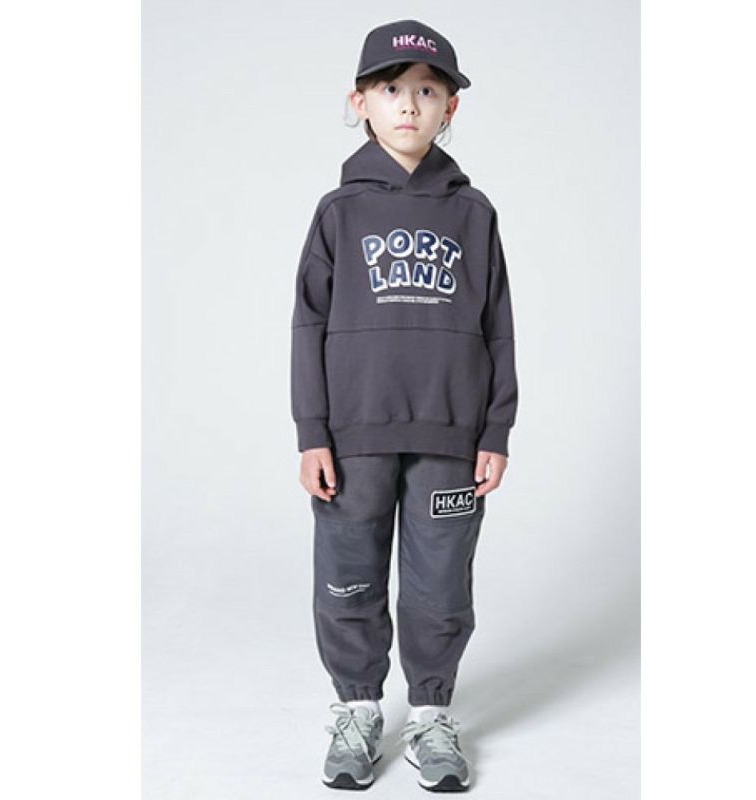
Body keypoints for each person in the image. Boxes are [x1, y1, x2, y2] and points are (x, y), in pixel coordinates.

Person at [290, 18, 519, 792]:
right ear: (361, 102)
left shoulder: (473, 213)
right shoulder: (339, 212)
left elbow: (498, 325)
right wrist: (312, 432)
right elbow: (308, 325)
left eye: (427, 90)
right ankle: (357, 709)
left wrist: (496, 428)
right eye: (392, 89)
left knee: (440, 584)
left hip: (451, 434)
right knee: (348, 575)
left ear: (450, 107)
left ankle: (430, 715)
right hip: (352, 435)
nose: (410, 105)